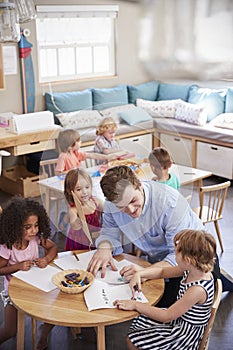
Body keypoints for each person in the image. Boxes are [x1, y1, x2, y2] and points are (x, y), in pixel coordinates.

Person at [87, 165, 232, 294]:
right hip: (159, 260)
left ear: (139, 185)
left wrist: (146, 272)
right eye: (121, 207)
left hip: (192, 259)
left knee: (163, 305)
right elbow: (109, 231)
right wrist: (105, 247)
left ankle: (218, 276)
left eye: (133, 201)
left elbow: (177, 258)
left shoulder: (170, 203)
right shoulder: (111, 204)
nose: (130, 210)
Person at [114, 229, 216, 350]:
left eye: (176, 252)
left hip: (183, 335)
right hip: (178, 319)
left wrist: (135, 305)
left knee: (131, 339)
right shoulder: (194, 269)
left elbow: (167, 316)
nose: (174, 254)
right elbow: (162, 271)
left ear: (188, 261)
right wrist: (140, 274)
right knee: (140, 320)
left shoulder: (197, 290)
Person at [0, 196, 58, 348]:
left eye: (36, 225)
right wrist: (17, 266)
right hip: (14, 290)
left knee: (55, 312)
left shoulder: (36, 238)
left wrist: (45, 259)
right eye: (28, 227)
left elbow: (53, 248)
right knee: (10, 331)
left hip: (36, 286)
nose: (34, 231)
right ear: (15, 226)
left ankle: (43, 335)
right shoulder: (8, 246)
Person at [64, 168, 104, 250]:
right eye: (79, 189)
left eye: (87, 187)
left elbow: (108, 210)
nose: (84, 192)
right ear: (69, 191)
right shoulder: (74, 210)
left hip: (96, 236)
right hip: (80, 241)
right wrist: (76, 222)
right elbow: (74, 225)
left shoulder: (96, 201)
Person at [55, 128, 122, 174]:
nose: (80, 142)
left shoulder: (75, 153)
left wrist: (108, 157)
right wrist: (71, 172)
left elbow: (92, 155)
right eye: (78, 141)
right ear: (70, 147)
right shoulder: (63, 156)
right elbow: (58, 173)